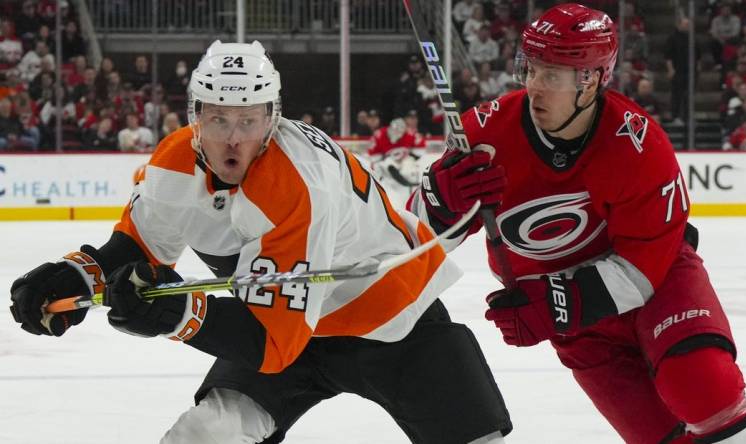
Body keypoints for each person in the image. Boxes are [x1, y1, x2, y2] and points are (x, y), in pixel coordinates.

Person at [9, 40, 511, 444]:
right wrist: (78, 273)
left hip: (393, 320)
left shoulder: (297, 186)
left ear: (271, 118)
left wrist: (175, 314)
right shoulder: (173, 161)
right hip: (286, 322)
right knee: (205, 436)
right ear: (194, 116)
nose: (232, 138)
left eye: (248, 120)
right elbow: (142, 244)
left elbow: (272, 346)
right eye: (218, 119)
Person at [407, 4, 746, 443]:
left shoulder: (638, 144)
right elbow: (413, 245)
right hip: (576, 324)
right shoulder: (484, 135)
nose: (535, 87)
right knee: (660, 437)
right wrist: (437, 204)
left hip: (657, 288)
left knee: (702, 385)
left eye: (552, 76)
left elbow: (644, 267)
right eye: (531, 69)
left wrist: (557, 302)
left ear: (590, 80)